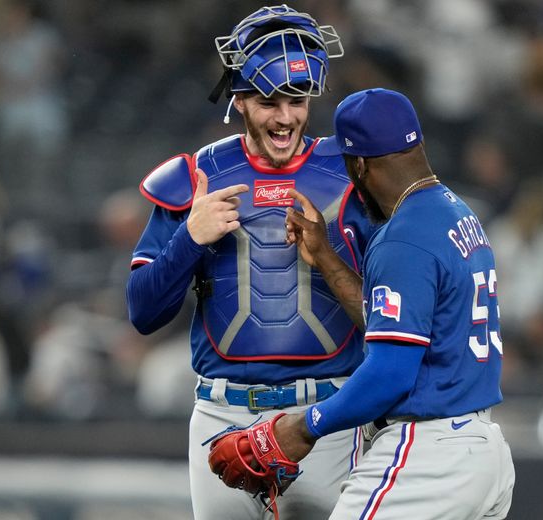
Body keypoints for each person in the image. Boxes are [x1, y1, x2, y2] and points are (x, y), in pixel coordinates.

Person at [125, 6, 375, 519]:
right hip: (221, 414)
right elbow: (142, 312)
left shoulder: (356, 175)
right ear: (239, 99)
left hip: (326, 416)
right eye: (268, 100)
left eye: (297, 99)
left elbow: (392, 314)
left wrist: (327, 256)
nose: (285, 116)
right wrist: (190, 239)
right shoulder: (195, 178)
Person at [271, 88, 516, 519]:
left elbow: (390, 373)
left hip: (428, 457)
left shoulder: (402, 236)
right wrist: (327, 258)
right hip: (483, 451)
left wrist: (306, 426)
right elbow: (396, 328)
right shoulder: (455, 213)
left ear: (360, 165)